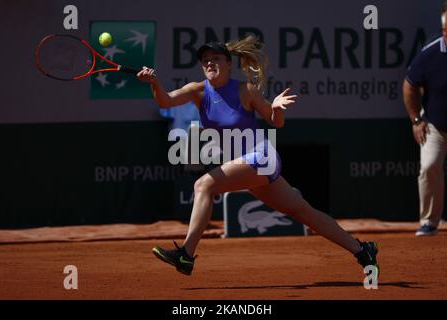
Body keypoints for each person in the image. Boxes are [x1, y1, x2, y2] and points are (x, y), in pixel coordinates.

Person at [137, 36, 379, 276]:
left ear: (229, 64)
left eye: (216, 59)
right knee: (303, 212)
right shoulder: (197, 91)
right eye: (205, 60)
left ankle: (186, 254)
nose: (209, 63)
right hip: (247, 165)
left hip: (261, 156)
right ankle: (361, 250)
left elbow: (276, 123)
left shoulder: (246, 90)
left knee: (203, 184)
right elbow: (166, 101)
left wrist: (276, 110)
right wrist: (154, 83)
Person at [403, 4, 447, 237]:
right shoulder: (430, 54)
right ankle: (429, 222)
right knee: (429, 167)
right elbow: (409, 85)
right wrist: (416, 119)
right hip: (435, 126)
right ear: (443, 31)